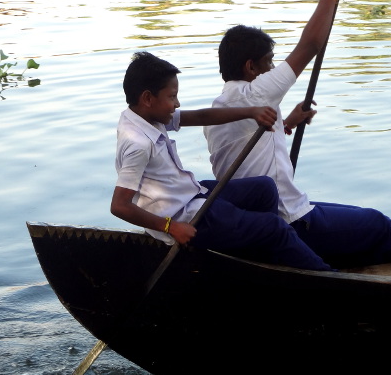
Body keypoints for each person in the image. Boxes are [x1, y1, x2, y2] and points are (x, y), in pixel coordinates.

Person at [203, 0, 391, 267]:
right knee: (379, 224)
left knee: (358, 220)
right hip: (290, 218)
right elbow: (310, 45)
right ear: (251, 68)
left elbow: (247, 151)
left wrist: (288, 124)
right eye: (268, 62)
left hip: (266, 213)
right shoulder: (257, 93)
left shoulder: (218, 108)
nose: (273, 69)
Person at [111, 51, 331, 271]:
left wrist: (251, 112)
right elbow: (120, 206)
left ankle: (259, 255)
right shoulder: (138, 143)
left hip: (190, 192)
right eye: (171, 97)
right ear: (148, 98)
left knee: (264, 188)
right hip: (185, 216)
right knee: (274, 227)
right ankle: (328, 276)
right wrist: (171, 227)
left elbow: (201, 116)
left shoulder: (146, 116)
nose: (177, 103)